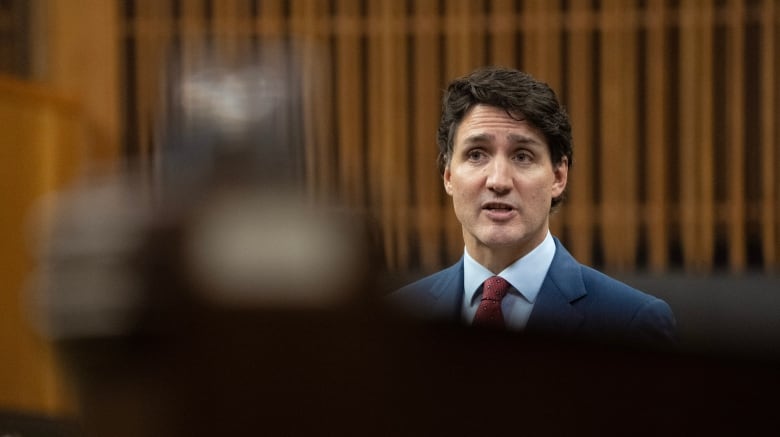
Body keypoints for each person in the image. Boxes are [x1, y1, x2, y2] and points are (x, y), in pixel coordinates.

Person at [391, 66, 677, 348]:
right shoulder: (398, 318)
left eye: (523, 156)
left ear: (559, 176)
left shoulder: (629, 323)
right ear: (449, 176)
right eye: (476, 154)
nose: (499, 181)